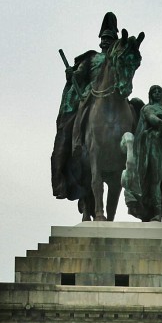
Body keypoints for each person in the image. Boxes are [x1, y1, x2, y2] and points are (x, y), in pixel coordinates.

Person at [51, 12, 121, 204]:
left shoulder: (118, 58)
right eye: (104, 39)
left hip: (116, 96)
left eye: (110, 39)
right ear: (100, 41)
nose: (106, 42)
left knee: (135, 109)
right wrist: (71, 73)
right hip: (92, 95)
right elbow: (79, 75)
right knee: (80, 114)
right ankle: (77, 143)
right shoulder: (92, 58)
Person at [126, 85, 162, 222]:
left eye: (160, 91)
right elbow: (152, 119)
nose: (157, 93)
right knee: (155, 180)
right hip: (154, 143)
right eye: (154, 91)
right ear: (150, 95)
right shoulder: (147, 108)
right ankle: (157, 213)